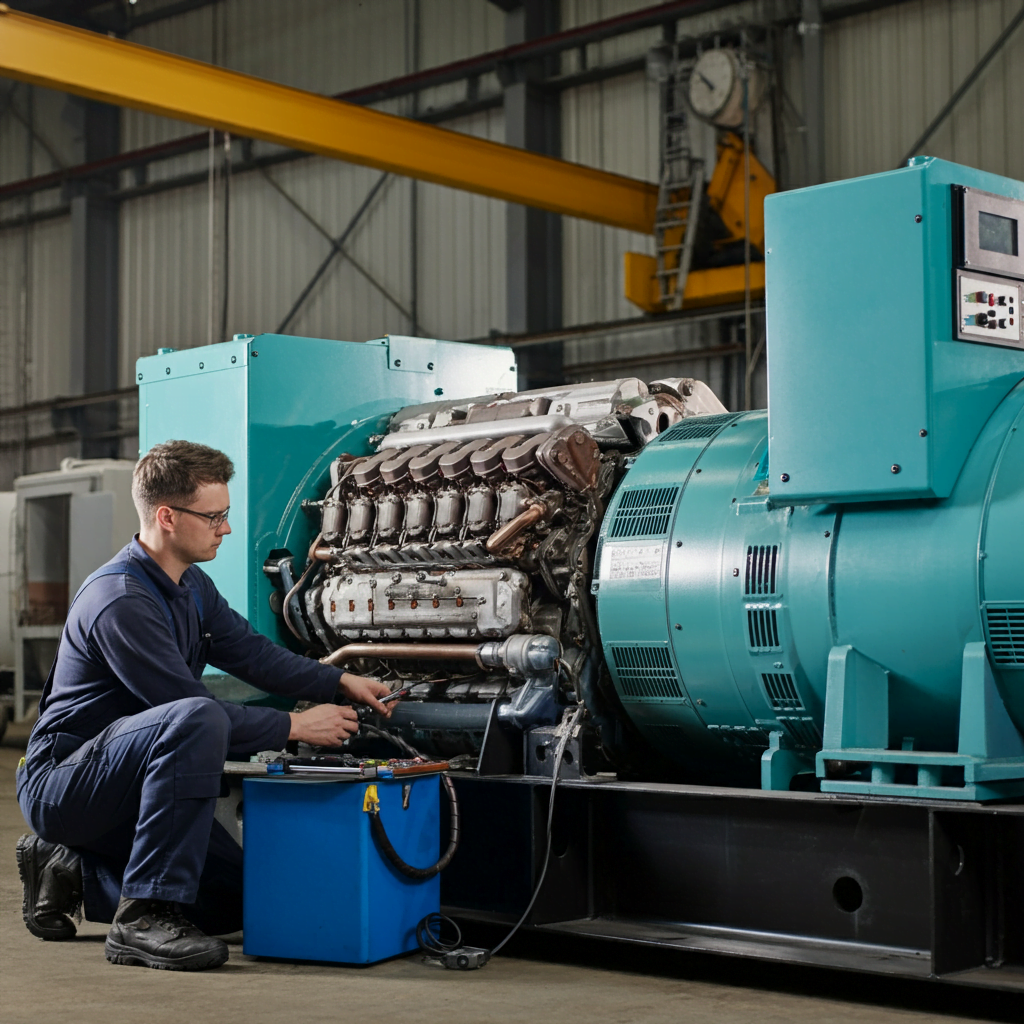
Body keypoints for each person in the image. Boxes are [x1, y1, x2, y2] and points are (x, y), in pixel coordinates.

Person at [15, 440, 391, 971]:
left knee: (239, 897)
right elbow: (187, 709)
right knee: (198, 716)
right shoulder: (121, 600)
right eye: (214, 517)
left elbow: (253, 654)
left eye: (226, 516)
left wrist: (340, 680)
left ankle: (72, 867)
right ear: (167, 516)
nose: (227, 529)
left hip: (131, 785)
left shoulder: (190, 585)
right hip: (66, 784)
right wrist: (292, 725)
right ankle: (141, 918)